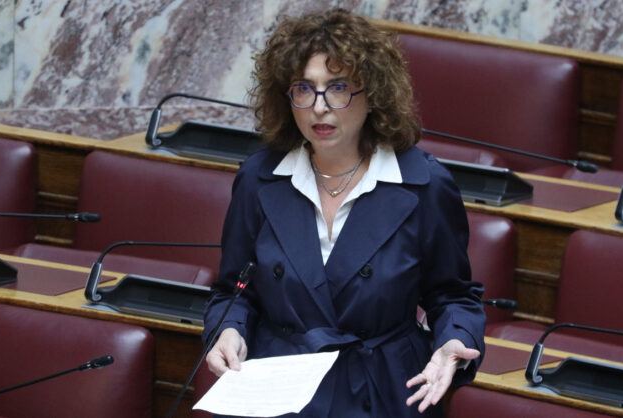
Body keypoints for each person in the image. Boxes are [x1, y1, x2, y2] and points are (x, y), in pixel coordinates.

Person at [203, 8, 486, 417]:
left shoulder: (423, 184)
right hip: (278, 387)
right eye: (304, 89)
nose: (319, 107)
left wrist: (453, 341)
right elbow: (234, 291)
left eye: (338, 88)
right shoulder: (260, 178)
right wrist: (228, 329)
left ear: (372, 95)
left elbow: (452, 295)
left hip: (382, 387)